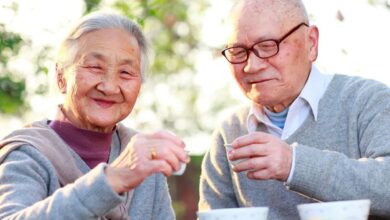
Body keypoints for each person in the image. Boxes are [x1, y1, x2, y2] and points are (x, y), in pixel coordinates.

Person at [198, 0, 390, 219]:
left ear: (311, 42)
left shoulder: (367, 100)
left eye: (268, 46)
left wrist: (293, 164)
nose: (252, 66)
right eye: (238, 51)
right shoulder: (230, 130)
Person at [0, 12, 189, 220]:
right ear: (61, 77)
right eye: (94, 67)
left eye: (125, 72)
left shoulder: (144, 158)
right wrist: (112, 179)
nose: (109, 87)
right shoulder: (28, 153)